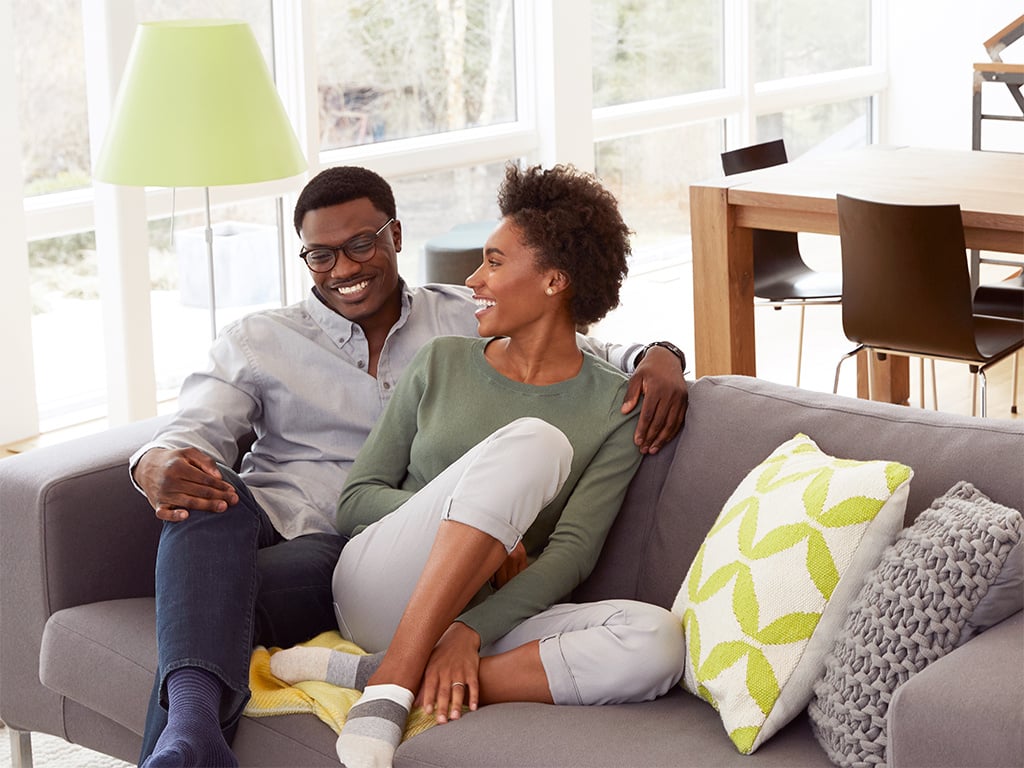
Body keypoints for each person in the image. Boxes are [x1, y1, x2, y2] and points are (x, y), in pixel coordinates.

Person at [132, 165, 689, 768]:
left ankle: (388, 671)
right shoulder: (393, 352)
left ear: (395, 235)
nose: (342, 268)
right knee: (202, 497)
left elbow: (583, 357)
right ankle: (195, 733)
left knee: (657, 641)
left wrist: (663, 356)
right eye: (320, 256)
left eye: (360, 245)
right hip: (348, 553)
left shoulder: (474, 324)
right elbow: (205, 437)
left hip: (454, 597)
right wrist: (154, 462)